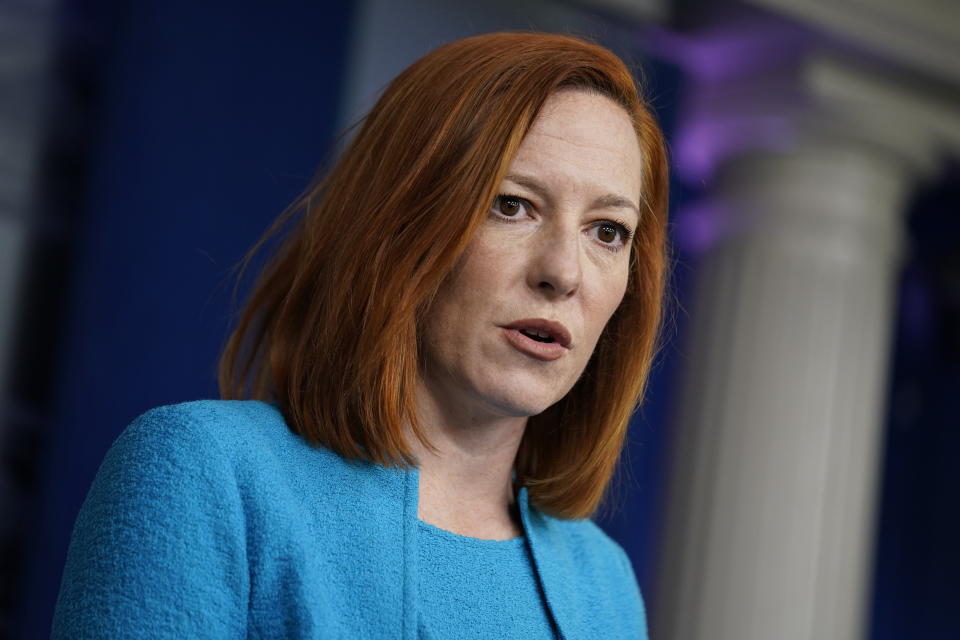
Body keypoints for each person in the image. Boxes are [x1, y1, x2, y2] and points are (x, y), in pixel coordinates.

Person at [51, 31, 668, 639]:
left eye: (608, 231)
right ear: (400, 223)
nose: (563, 272)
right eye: (512, 205)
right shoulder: (205, 474)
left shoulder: (604, 584)